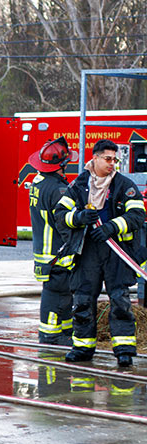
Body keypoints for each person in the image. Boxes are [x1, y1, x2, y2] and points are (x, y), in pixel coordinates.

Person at [54, 139, 146, 368]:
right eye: (108, 159)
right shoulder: (78, 185)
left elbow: (137, 215)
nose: (112, 164)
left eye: (115, 160)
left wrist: (112, 227)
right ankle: (83, 348)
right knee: (83, 299)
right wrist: (78, 218)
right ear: (94, 158)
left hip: (116, 251)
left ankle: (124, 350)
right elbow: (60, 214)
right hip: (87, 250)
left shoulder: (125, 185)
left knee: (119, 300)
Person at [27, 136, 78, 345]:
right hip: (57, 252)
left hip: (44, 251)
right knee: (55, 293)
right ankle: (49, 334)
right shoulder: (58, 190)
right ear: (61, 165)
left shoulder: (38, 182)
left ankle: (65, 332)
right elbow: (67, 222)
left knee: (62, 293)